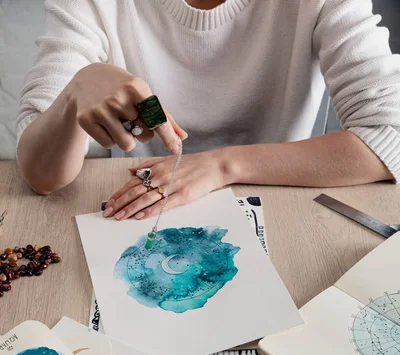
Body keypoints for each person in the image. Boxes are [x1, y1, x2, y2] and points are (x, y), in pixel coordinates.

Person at [17, 0, 400, 222]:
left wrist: (220, 166)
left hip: (284, 204)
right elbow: (42, 178)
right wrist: (76, 90)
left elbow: (390, 133)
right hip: (145, 206)